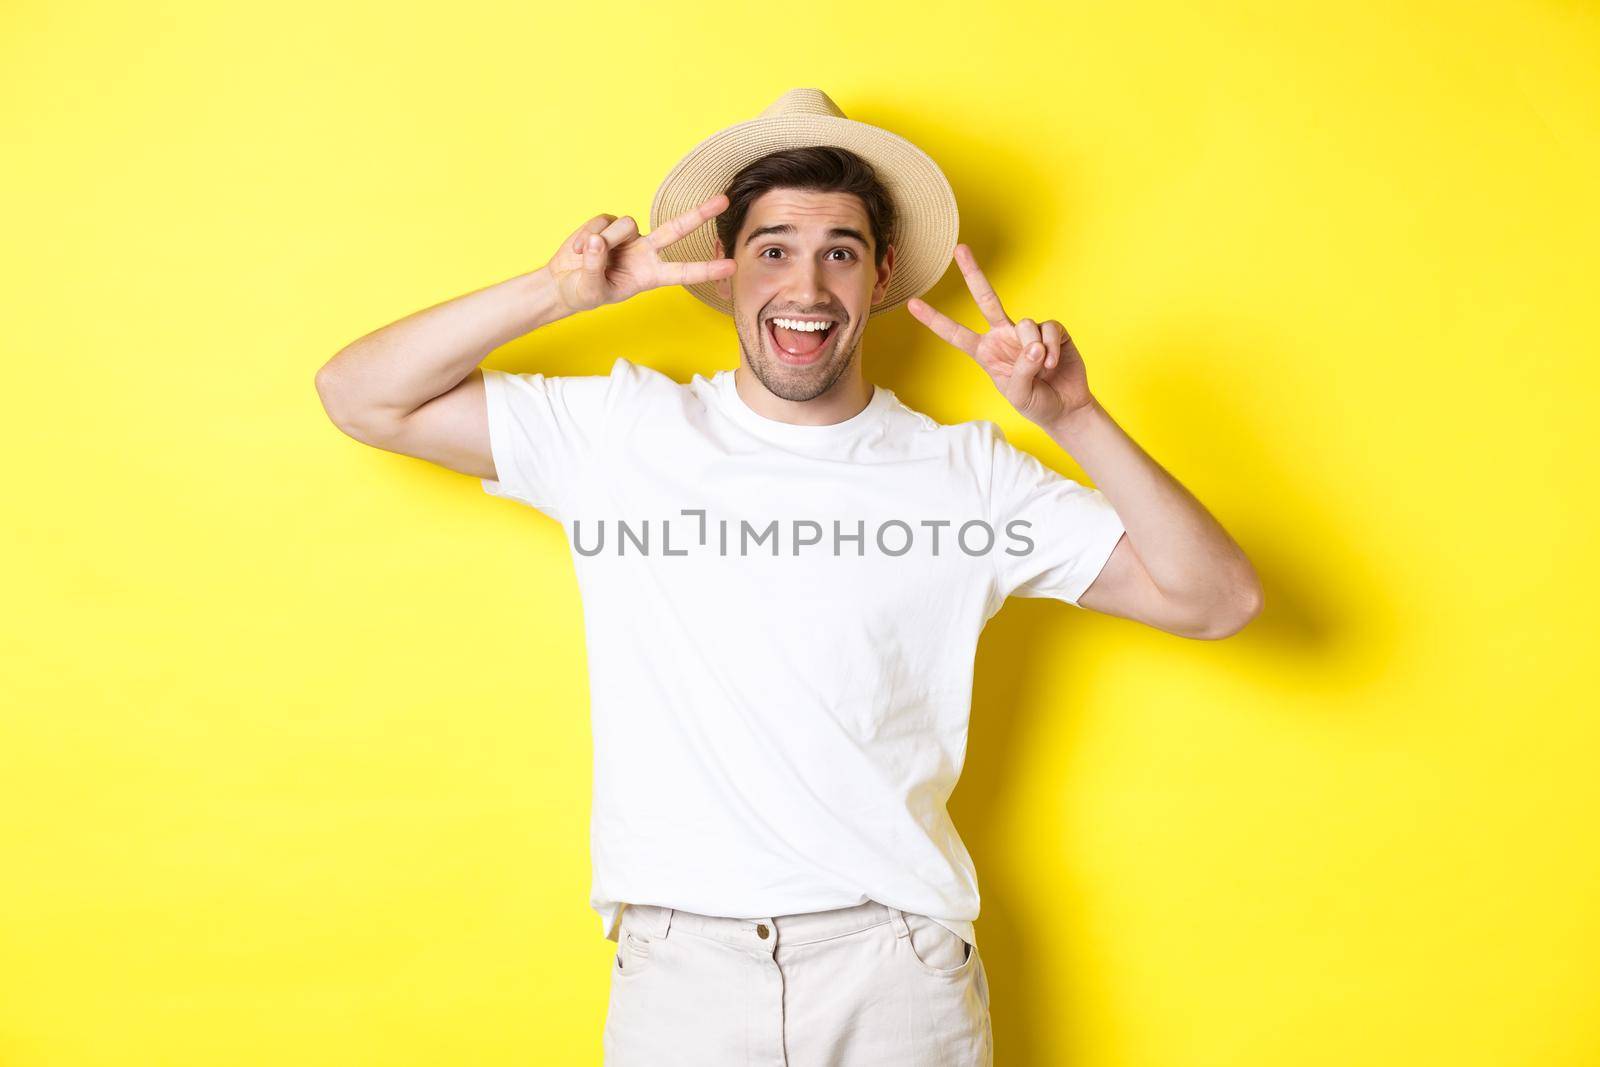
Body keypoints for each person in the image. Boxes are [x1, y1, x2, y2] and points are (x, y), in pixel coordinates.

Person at [314, 88, 1262, 1066]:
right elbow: (359, 393)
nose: (805, 287)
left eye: (839, 251)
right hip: (682, 978)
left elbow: (1217, 597)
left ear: (880, 273)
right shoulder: (621, 434)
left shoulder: (966, 473)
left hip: (895, 973)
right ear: (724, 270)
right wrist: (560, 293)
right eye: (771, 248)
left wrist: (1074, 418)